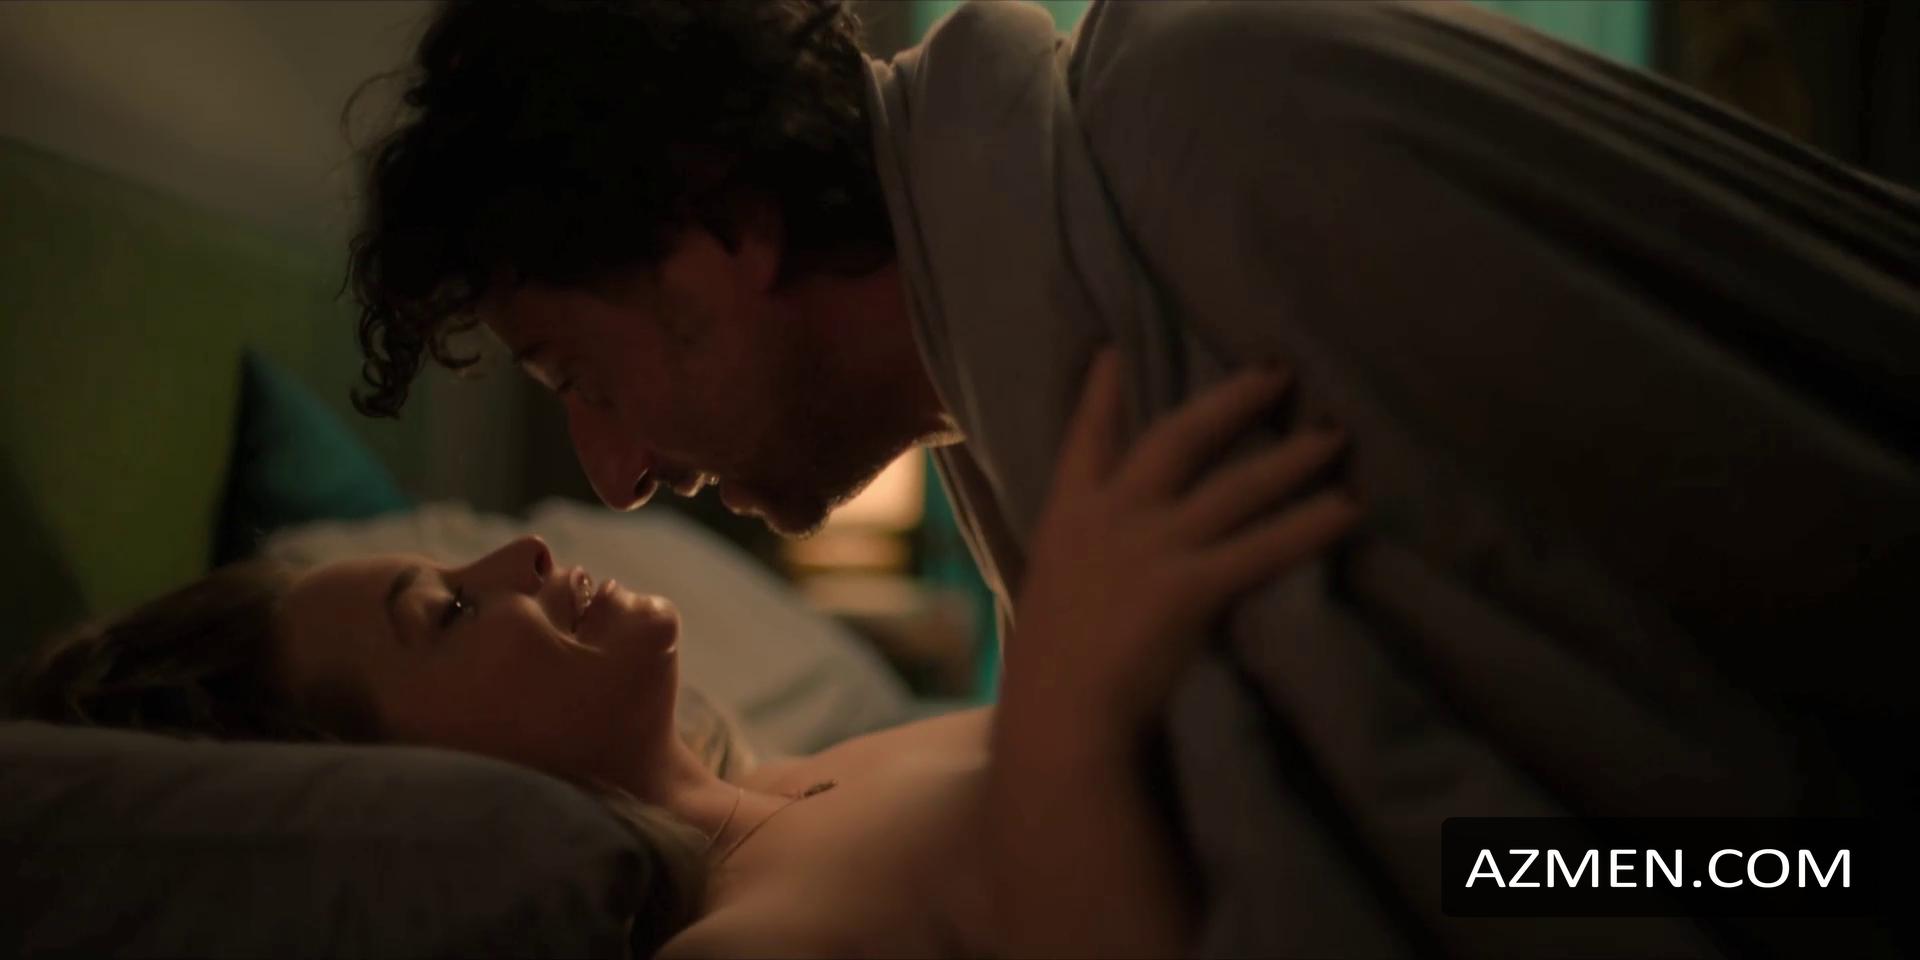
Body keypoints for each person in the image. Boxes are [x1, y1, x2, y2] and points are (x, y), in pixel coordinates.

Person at [344, 1, 1920, 954]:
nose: (614, 475)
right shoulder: (1044, 441)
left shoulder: (1227, 129)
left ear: (723, 234)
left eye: (582, 376)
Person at [12, 356, 1359, 958]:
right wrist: (1073, 717)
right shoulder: (748, 943)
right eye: (449, 613)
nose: (522, 558)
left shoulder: (811, 779)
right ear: (404, 783)